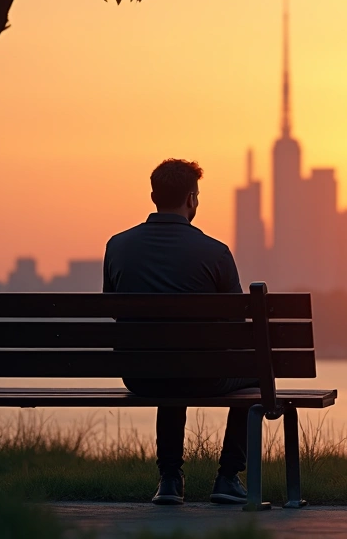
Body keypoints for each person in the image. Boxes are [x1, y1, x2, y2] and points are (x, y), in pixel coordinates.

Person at [102, 158, 254, 506]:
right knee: (256, 374)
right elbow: (237, 329)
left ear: (153, 195)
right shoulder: (215, 253)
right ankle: (228, 477)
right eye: (197, 196)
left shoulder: (118, 246)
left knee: (167, 364)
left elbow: (112, 310)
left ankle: (170, 479)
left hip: (141, 376)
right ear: (190, 199)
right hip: (202, 376)